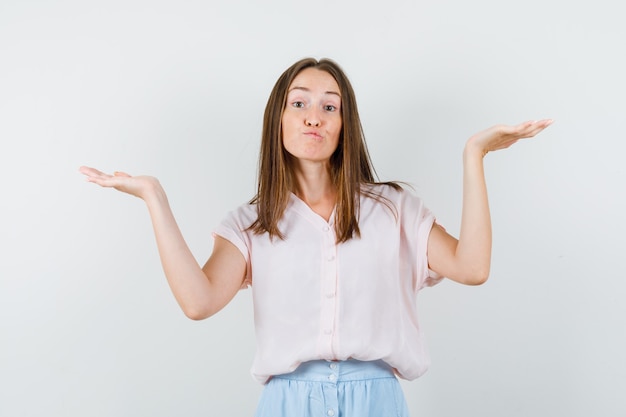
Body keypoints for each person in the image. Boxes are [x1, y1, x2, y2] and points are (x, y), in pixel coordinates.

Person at [79, 57, 552, 416]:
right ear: (279, 119)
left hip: (377, 398)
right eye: (299, 103)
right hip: (287, 400)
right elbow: (198, 301)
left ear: (345, 126)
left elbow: (472, 267)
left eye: (330, 106)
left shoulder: (393, 209)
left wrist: (475, 156)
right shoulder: (251, 223)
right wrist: (154, 197)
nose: (314, 116)